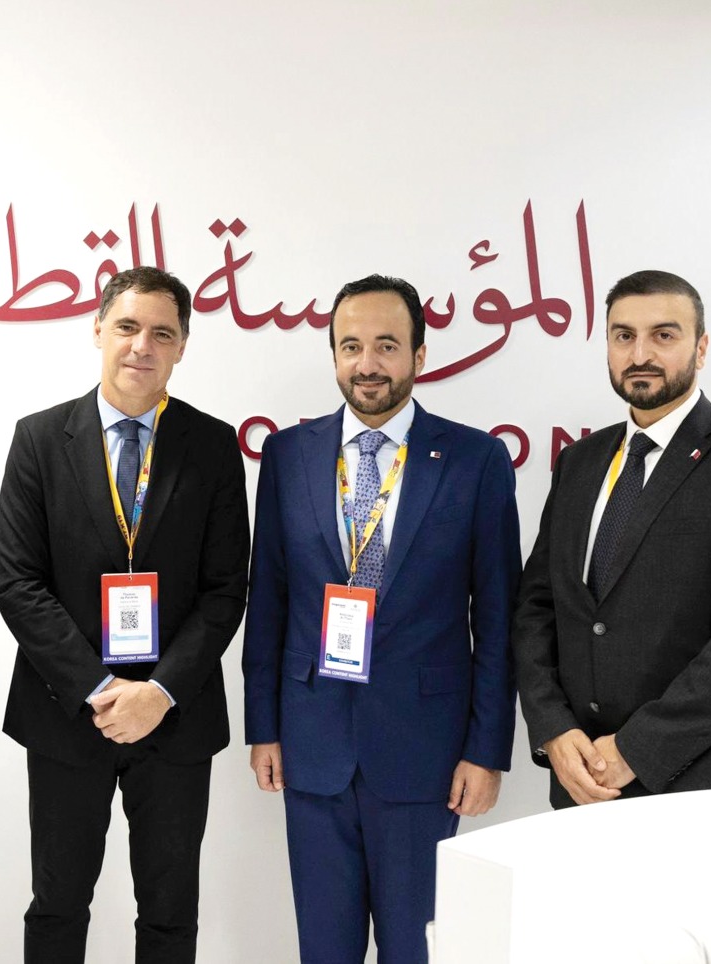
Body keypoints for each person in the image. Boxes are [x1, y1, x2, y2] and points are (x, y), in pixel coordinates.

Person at [242, 274, 521, 964]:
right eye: (352, 346)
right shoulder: (287, 455)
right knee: (324, 950)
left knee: (415, 950)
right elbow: (268, 600)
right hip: (312, 746)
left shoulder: (474, 460)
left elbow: (498, 616)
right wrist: (263, 726)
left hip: (424, 753)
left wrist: (487, 750)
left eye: (387, 346)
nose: (368, 364)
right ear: (334, 355)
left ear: (420, 356)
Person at [0, 266, 250, 963]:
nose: (142, 346)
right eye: (128, 327)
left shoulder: (213, 445)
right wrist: (104, 691)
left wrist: (159, 692)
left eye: (162, 333)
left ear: (182, 347)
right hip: (66, 713)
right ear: (98, 331)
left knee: (169, 912)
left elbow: (227, 588)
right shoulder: (40, 440)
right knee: (57, 904)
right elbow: (17, 583)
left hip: (177, 718)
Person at [513, 269, 711, 809]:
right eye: (623, 335)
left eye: (663, 335)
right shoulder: (580, 463)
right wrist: (554, 730)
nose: (639, 353)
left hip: (704, 793)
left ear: (701, 349)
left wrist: (635, 748)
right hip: (583, 789)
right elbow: (537, 608)